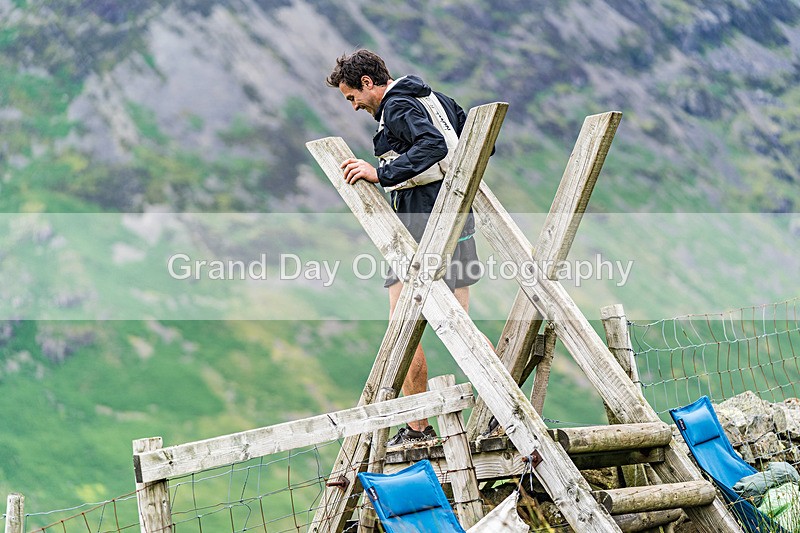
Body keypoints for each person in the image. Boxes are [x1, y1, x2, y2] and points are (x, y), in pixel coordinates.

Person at [326, 49, 483, 446]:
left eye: (352, 97)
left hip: (418, 220)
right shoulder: (437, 99)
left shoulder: (396, 106)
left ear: (366, 83)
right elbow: (480, 143)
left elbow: (431, 145)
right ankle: (497, 412)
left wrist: (382, 173)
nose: (355, 106)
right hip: (459, 214)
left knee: (403, 326)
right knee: (458, 327)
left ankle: (417, 429)